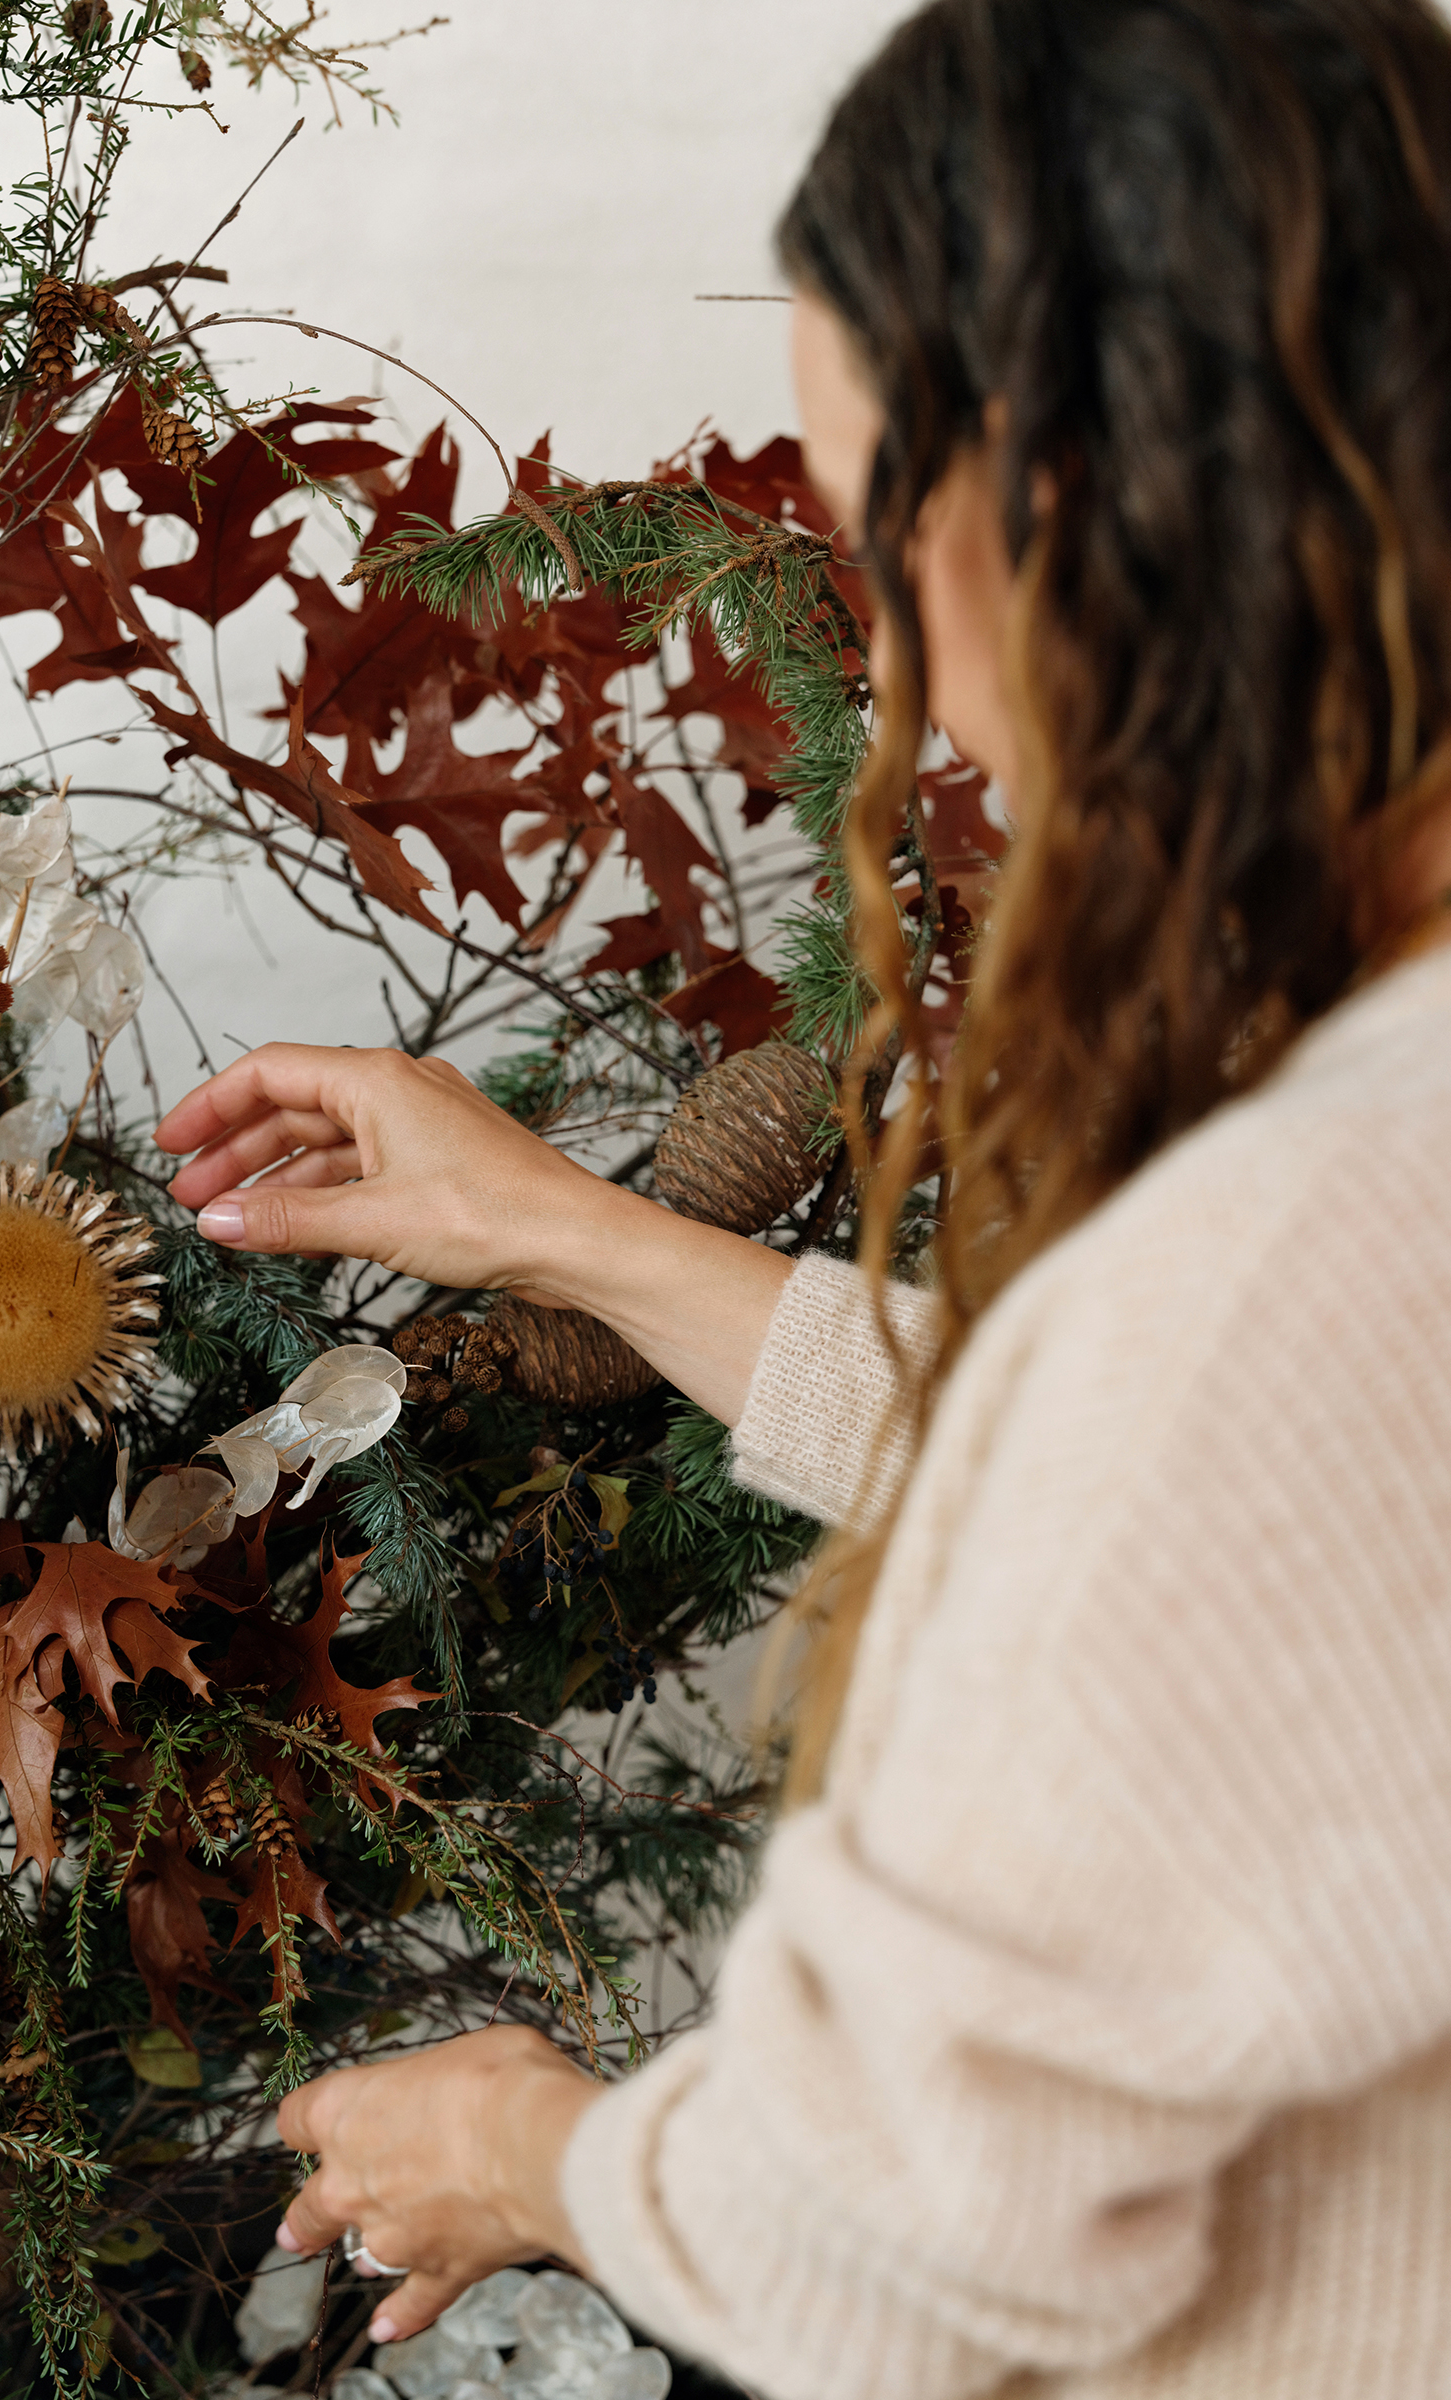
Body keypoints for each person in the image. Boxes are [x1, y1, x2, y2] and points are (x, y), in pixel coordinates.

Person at [151, 1, 1451, 2391]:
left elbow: (913, 2238)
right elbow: (1197, 1536)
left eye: (901, 558)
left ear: (1073, 522)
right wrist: (559, 1225)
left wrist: (541, 2151)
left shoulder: (1307, 1236)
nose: (930, 716)